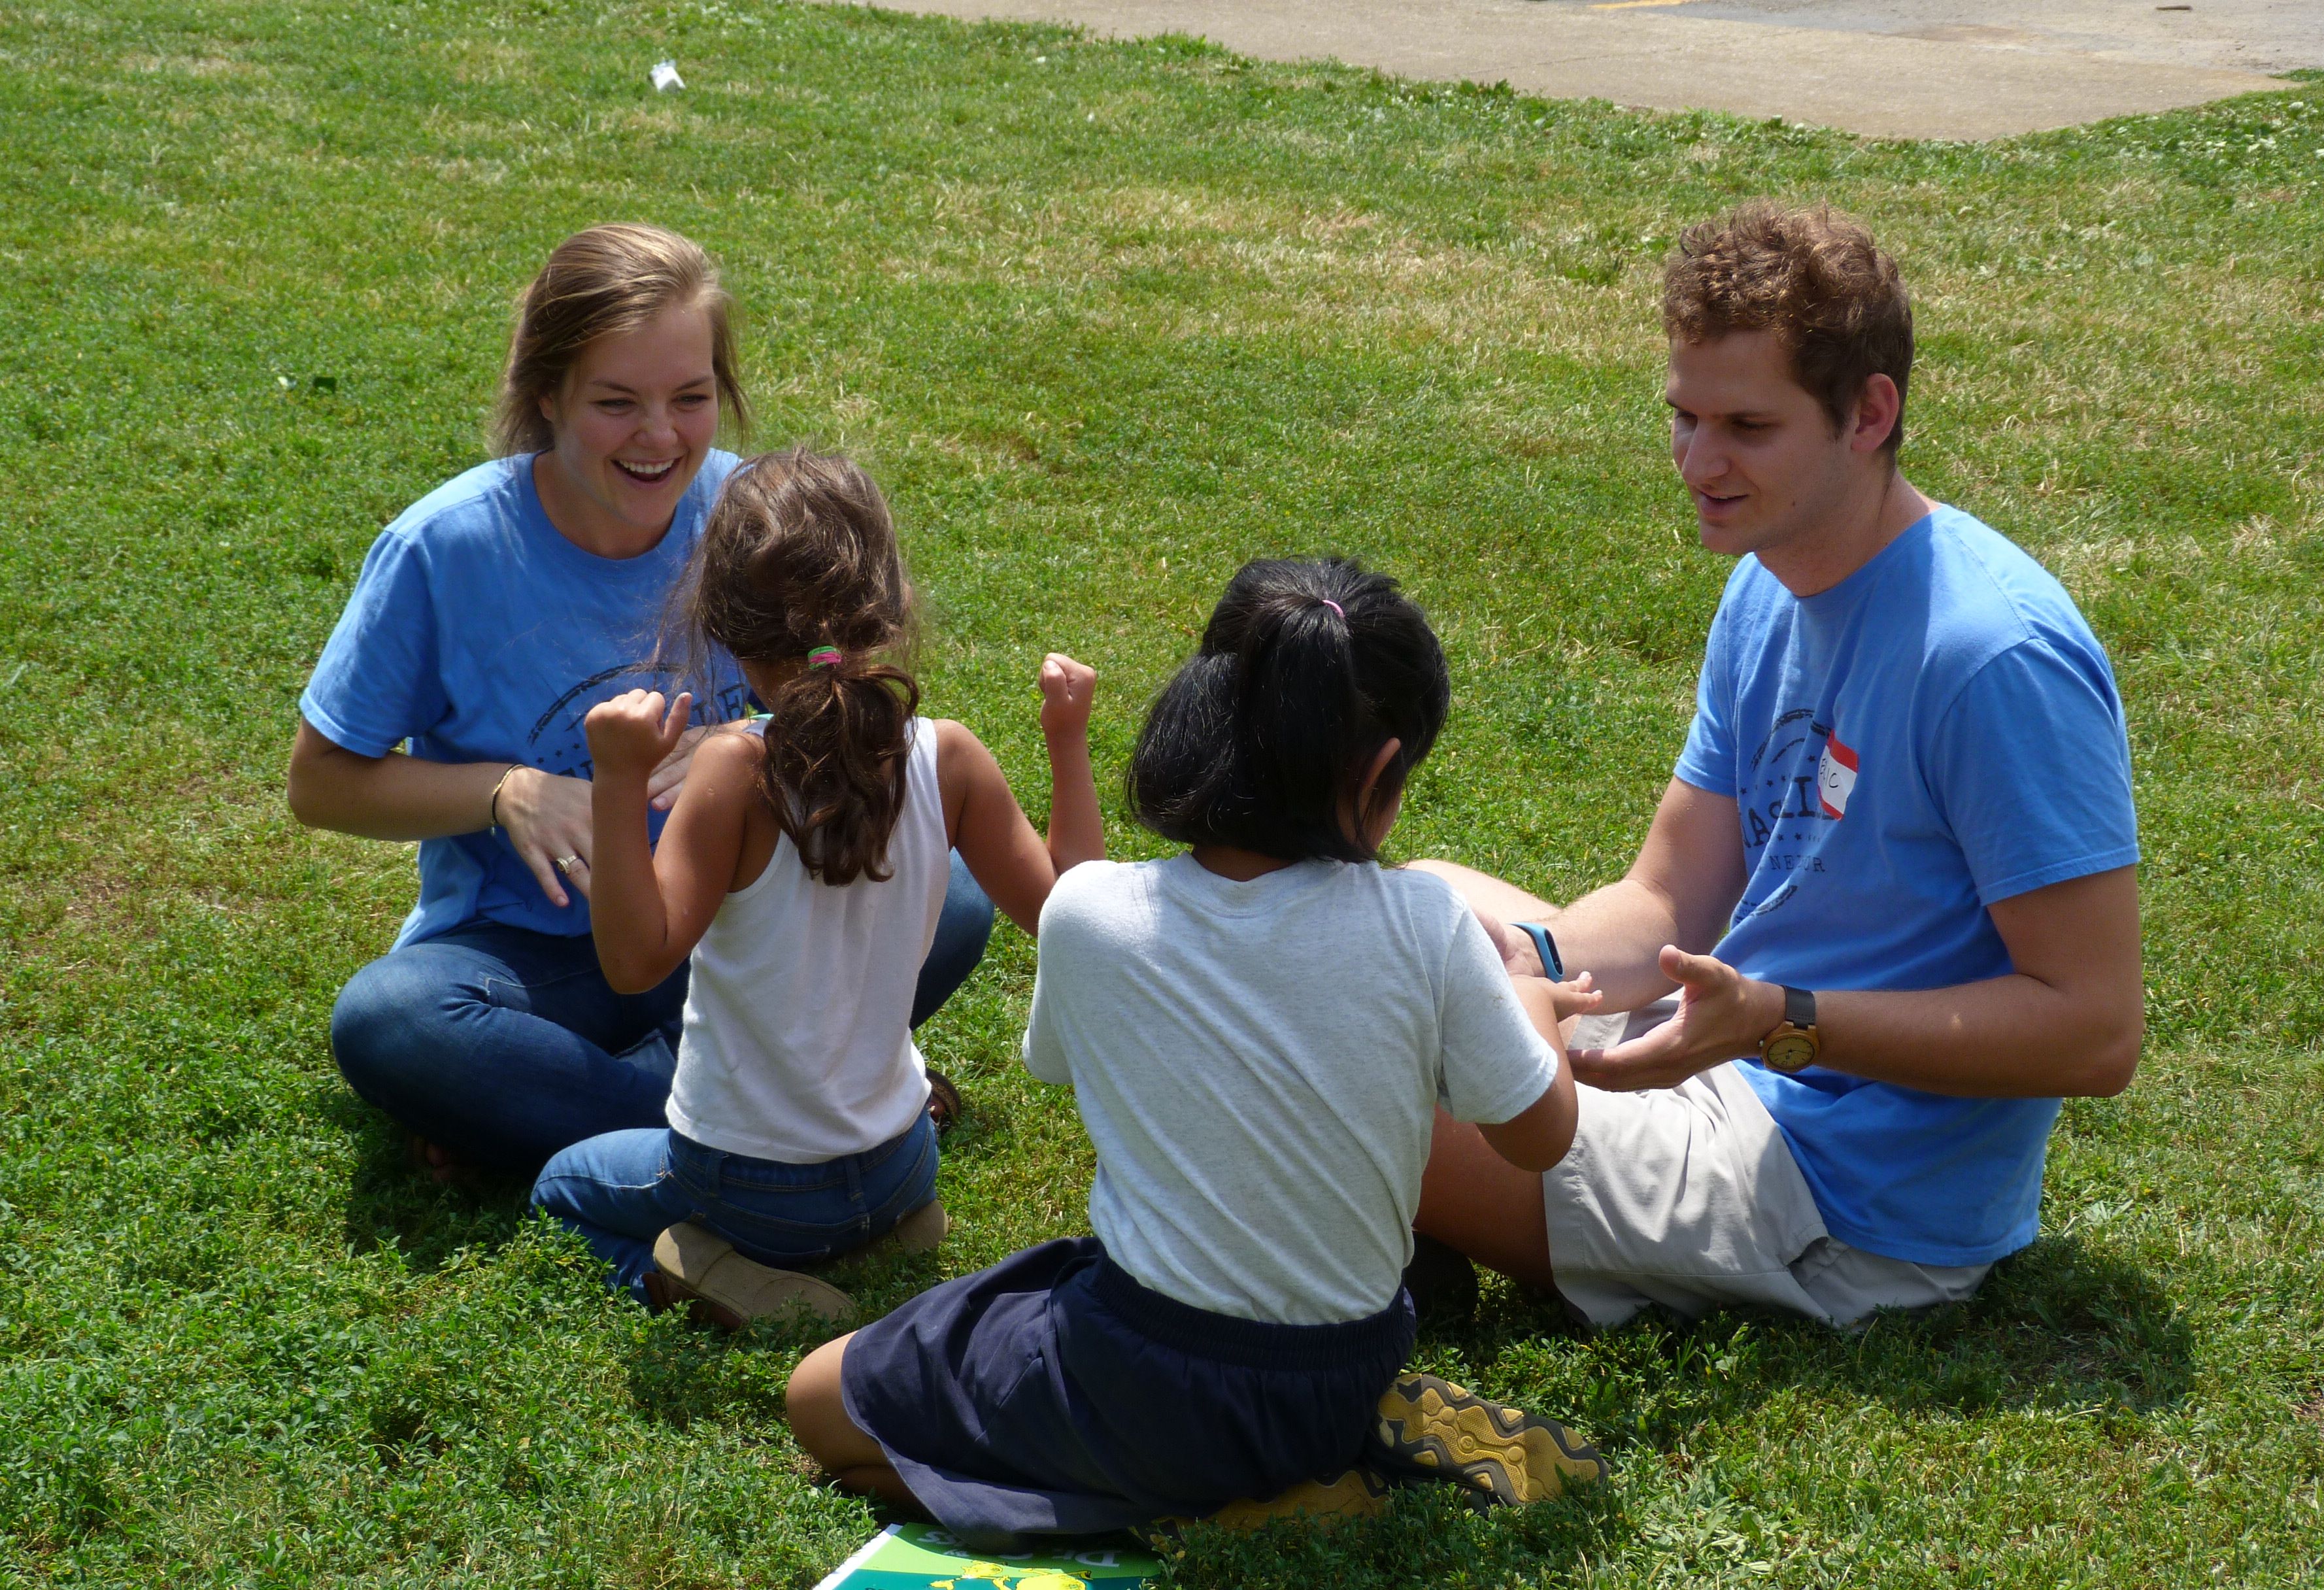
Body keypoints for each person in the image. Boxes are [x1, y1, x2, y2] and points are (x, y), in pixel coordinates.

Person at [1411, 200, 2144, 1331]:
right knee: (1417, 907)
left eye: (1747, 426)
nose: (1698, 462)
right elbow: (1669, 897)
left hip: (1843, 1193)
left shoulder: (1994, 657)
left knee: (1333, 1066)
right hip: (1733, 1052)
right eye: (1685, 416)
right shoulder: (1769, 580)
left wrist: (1777, 1019)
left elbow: (2095, 1032)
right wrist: (1534, 961)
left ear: (1869, 415)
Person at [783, 558, 1608, 1548]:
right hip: (1343, 1369)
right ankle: (1295, 1467)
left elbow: (1064, 1061)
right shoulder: (1428, 924)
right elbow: (1541, 1139)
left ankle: (1190, 1506)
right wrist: (1531, 1001)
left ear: (1199, 716)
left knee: (817, 1402)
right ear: (1382, 771)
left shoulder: (1090, 914)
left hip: (1141, 1372)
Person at [287, 224, 996, 1183]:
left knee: (957, 894)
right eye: (616, 403)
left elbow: (848, 682)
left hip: (735, 926)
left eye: (691, 398)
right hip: (534, 957)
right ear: (547, 395)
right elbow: (320, 784)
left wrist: (750, 734)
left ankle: (571, 1117)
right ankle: (772, 1114)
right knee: (393, 1020)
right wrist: (507, 790)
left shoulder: (753, 515)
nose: (659, 437)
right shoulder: (444, 549)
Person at [526, 448, 1103, 1325]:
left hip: (753, 1187)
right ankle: (884, 1232)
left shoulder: (733, 772)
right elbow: (1072, 913)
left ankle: (712, 1274)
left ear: (724, 628)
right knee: (873, 1171)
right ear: (891, 603)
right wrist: (1066, 741)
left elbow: (636, 963)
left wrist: (617, 781)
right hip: (903, 1161)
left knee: (559, 1187)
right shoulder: (948, 757)